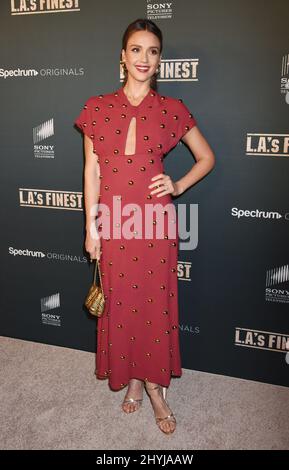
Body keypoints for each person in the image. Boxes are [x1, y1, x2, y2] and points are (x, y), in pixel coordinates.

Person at [74, 18, 215, 435]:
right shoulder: (96, 107)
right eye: (136, 49)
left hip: (153, 223)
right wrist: (91, 227)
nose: (144, 58)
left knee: (153, 307)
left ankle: (154, 387)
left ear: (159, 60)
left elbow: (206, 158)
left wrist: (178, 183)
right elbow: (91, 171)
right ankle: (133, 380)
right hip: (114, 224)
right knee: (120, 306)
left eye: (152, 51)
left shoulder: (172, 110)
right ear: (122, 56)